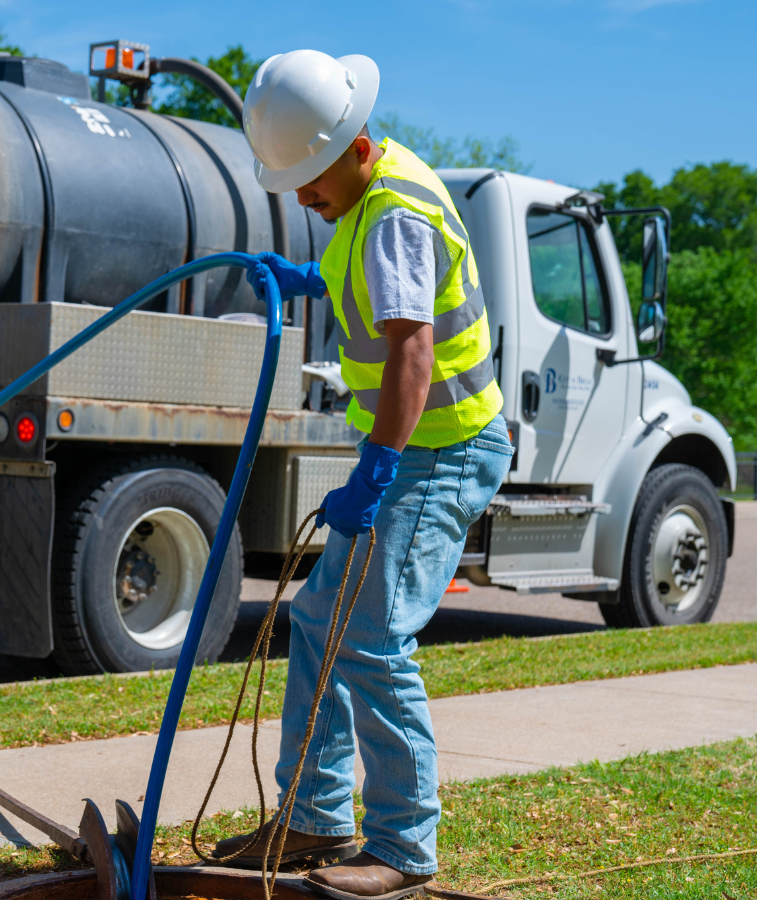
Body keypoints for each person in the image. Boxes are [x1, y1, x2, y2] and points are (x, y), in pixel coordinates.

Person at [212, 51, 513, 899]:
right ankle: (314, 815)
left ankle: (404, 848)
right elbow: (376, 297)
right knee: (319, 619)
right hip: (415, 449)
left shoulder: (391, 215)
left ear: (352, 146)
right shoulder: (367, 197)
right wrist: (307, 276)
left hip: (442, 451)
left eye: (309, 178)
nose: (302, 196)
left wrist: (377, 467)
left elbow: (412, 354)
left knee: (372, 637)